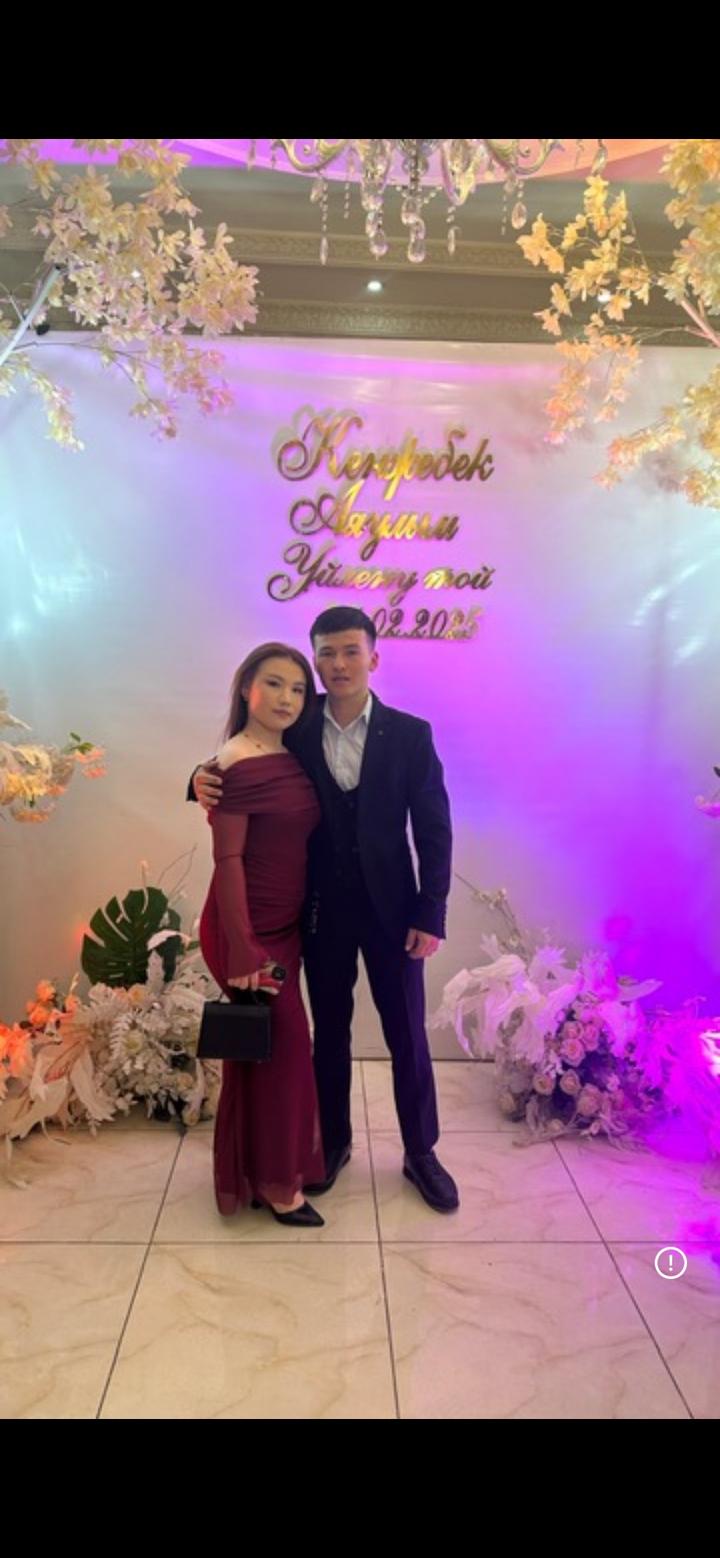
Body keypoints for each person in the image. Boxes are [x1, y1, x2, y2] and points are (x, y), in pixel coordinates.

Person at [192, 606, 458, 1214]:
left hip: (395, 915)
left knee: (406, 1033)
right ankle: (332, 1142)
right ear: (315, 661)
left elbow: (434, 829)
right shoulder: (297, 722)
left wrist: (431, 911)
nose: (338, 664)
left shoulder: (410, 734)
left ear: (373, 657)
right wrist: (197, 777)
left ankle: (421, 1152)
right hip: (318, 913)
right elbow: (243, 759)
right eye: (327, 654)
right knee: (328, 1033)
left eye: (350, 651)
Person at [198, 642, 326, 1228]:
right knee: (287, 1050)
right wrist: (245, 947)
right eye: (273, 683)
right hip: (247, 929)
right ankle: (278, 1187)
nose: (286, 698)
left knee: (265, 1055)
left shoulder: (287, 751)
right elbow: (227, 861)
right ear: (246, 687)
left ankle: (262, 1170)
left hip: (285, 926)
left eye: (297, 688)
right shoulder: (234, 761)